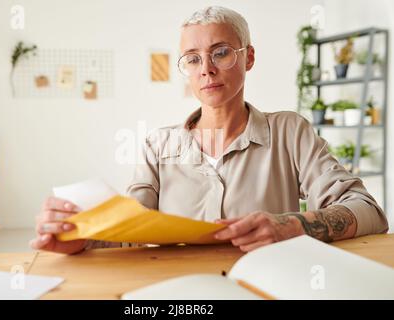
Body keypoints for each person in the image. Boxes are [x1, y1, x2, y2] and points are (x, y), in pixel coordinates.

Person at [30, 6, 388, 255]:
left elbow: (368, 211)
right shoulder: (159, 144)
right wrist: (80, 238)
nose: (206, 69)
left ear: (248, 57)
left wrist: (293, 225)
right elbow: (130, 231)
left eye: (220, 53)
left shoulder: (289, 132)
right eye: (193, 58)